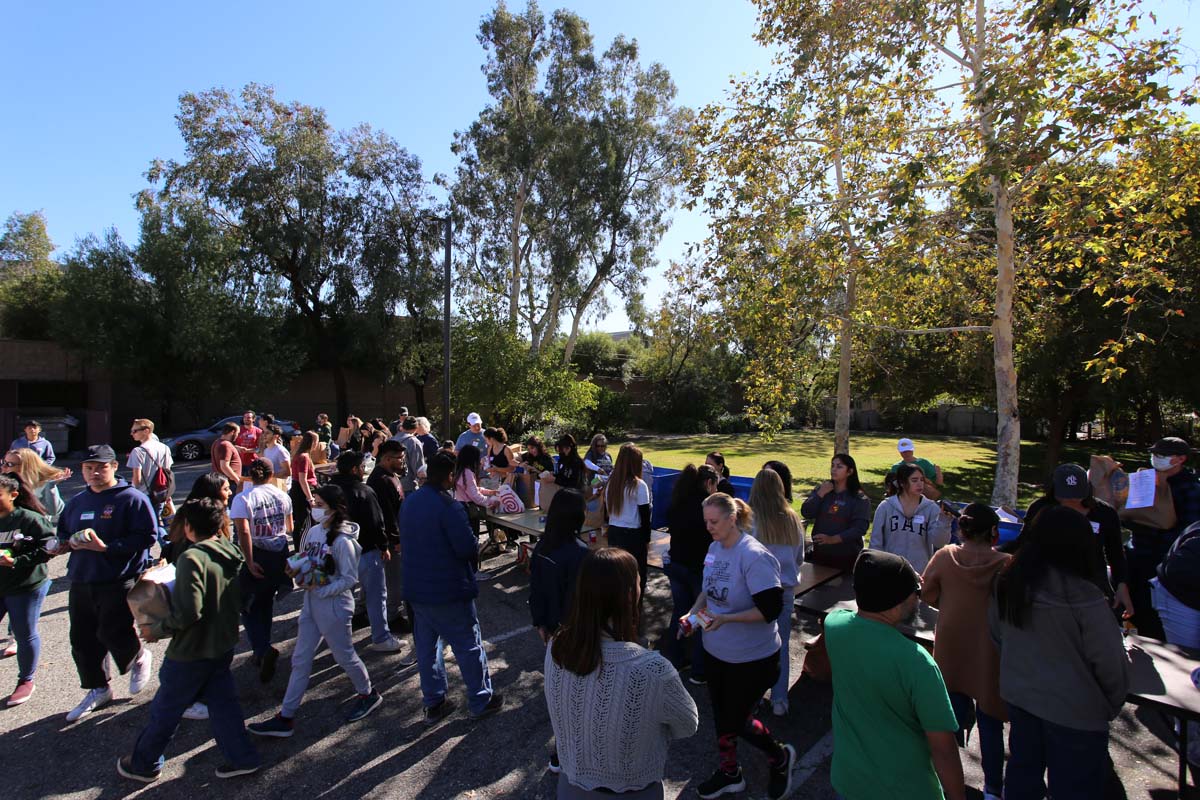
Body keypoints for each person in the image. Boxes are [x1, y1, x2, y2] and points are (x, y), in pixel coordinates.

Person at [990, 505, 1130, 799]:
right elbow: (1109, 664)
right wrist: (1108, 705)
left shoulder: (1008, 580)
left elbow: (997, 634)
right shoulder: (1085, 597)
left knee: (1022, 777)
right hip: (1074, 713)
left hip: (1022, 697)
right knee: (1073, 788)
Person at [117, 498, 260, 783]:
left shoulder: (193, 558)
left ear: (189, 526)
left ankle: (144, 763)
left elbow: (189, 611)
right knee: (224, 705)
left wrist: (155, 630)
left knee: (166, 708)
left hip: (192, 649)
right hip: (222, 642)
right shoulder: (229, 549)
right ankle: (242, 756)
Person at [545, 547, 699, 798]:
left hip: (570, 787)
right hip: (633, 791)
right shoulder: (652, 670)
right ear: (630, 595)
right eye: (639, 580)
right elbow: (687, 724)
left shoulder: (557, 647)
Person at [681, 493, 795, 800]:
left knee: (738, 720)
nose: (709, 528)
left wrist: (727, 619)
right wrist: (693, 614)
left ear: (732, 519)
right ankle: (730, 772)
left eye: (714, 522)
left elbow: (771, 610)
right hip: (717, 652)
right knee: (721, 715)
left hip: (753, 659)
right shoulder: (714, 548)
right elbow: (707, 592)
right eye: (706, 521)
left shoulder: (754, 556)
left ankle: (780, 757)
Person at [825, 550, 965, 800]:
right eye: (916, 593)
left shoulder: (834, 625)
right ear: (897, 600)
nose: (918, 600)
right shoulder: (918, 662)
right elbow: (944, 749)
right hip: (906, 791)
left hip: (848, 780)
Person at [249, 484, 383, 737]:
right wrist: (297, 571)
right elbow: (305, 559)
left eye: (320, 504)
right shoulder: (312, 531)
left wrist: (321, 589)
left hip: (334, 607)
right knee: (300, 659)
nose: (314, 508)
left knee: (344, 655)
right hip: (311, 604)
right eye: (314, 503)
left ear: (334, 509)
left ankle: (368, 693)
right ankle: (285, 717)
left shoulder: (344, 542)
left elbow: (349, 580)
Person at [54, 445, 158, 722]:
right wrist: (62, 545)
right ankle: (98, 688)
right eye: (89, 468)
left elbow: (147, 537)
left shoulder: (131, 499)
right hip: (81, 577)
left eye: (100, 467)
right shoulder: (77, 501)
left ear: (114, 466)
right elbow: (63, 531)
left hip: (118, 577)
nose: (94, 473)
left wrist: (109, 548)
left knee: (113, 631)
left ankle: (137, 655)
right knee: (82, 638)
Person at [401, 452, 503, 723]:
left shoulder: (410, 502)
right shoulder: (449, 506)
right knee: (468, 645)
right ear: (448, 476)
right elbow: (467, 547)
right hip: (447, 588)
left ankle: (433, 700)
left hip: (416, 588)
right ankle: (481, 698)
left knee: (427, 648)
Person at [921, 503, 1011, 800]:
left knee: (946, 720)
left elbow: (927, 591)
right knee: (991, 723)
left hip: (951, 647)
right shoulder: (1006, 564)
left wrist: (947, 603)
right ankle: (993, 788)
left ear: (961, 530)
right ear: (994, 533)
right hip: (989, 653)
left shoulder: (946, 557)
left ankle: (945, 778)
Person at [1008, 463, 1132, 616]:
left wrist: (1121, 585)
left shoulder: (1105, 513)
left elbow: (1116, 554)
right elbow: (1023, 543)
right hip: (1047, 584)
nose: (1072, 502)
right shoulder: (1040, 509)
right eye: (1065, 497)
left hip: (1091, 583)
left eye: (1077, 496)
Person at [329, 451, 406, 654]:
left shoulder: (329, 491)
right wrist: (384, 546)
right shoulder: (363, 491)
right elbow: (376, 522)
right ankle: (380, 637)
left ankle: (337, 638)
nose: (364, 470)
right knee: (376, 596)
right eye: (362, 467)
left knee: (340, 597)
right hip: (365, 550)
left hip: (334, 552)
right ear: (355, 469)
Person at [1125, 436, 1200, 639]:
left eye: (1163, 455)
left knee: (1154, 618)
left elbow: (1189, 529)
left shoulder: (1190, 488)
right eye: (1154, 454)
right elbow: (1130, 514)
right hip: (1136, 554)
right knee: (1132, 609)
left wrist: (1156, 527)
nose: (1156, 458)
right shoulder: (1147, 480)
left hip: (1162, 561)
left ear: (1181, 459)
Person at [229, 458, 293, 685]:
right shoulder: (282, 495)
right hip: (278, 552)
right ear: (270, 474)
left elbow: (243, 531)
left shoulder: (242, 498)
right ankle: (261, 648)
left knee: (248, 605)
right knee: (264, 604)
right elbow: (290, 527)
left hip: (256, 553)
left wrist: (248, 560)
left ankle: (262, 648)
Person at [748, 468, 804, 717]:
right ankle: (780, 699)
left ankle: (755, 695)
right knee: (780, 645)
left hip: (756, 591)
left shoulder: (750, 520)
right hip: (785, 590)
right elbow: (800, 557)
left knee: (754, 646)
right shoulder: (792, 519)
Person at [0, 473, 53, 706]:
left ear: (13, 495)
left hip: (25, 585)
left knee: (24, 632)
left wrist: (17, 561)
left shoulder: (29, 519)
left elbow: (49, 548)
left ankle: (26, 680)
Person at [663, 464, 719, 685]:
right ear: (708, 483)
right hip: (697, 569)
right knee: (701, 617)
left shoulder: (677, 502)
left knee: (681, 611)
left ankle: (675, 659)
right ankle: (699, 669)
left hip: (676, 564)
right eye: (715, 485)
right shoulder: (705, 508)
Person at [529, 489, 589, 643]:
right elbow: (577, 598)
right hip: (570, 630)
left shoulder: (542, 545)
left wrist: (539, 621)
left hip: (551, 625)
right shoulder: (579, 552)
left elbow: (535, 587)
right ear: (577, 516)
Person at [870, 463, 952, 573]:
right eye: (914, 480)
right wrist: (876, 568)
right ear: (902, 483)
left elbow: (939, 543)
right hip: (889, 571)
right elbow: (875, 543)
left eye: (922, 480)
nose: (920, 484)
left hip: (919, 573)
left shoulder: (931, 508)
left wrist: (944, 521)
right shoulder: (885, 507)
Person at [802, 453, 871, 572]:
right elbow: (806, 512)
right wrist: (820, 494)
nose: (834, 469)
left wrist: (832, 539)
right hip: (820, 554)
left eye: (839, 467)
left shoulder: (859, 499)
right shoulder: (823, 490)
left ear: (849, 472)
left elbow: (860, 528)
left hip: (845, 557)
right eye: (832, 465)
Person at [367, 439, 408, 629]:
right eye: (399, 458)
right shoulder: (380, 480)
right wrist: (395, 540)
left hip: (396, 535)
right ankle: (393, 615)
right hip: (390, 539)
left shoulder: (391, 475)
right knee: (394, 579)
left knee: (393, 577)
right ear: (386, 458)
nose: (402, 461)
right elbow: (386, 514)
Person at [604, 443, 653, 595]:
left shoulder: (611, 484)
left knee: (617, 576)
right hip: (633, 536)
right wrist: (647, 540)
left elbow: (607, 513)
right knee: (637, 578)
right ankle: (634, 612)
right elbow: (645, 518)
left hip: (614, 533)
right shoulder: (639, 486)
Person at [128, 418, 175, 541]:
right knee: (155, 522)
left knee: (145, 526)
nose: (132, 433)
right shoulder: (165, 448)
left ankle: (154, 553)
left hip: (143, 494)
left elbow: (136, 479)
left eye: (135, 431)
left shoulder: (138, 451)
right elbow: (167, 472)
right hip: (160, 492)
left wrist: (132, 492)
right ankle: (167, 549)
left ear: (146, 431)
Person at [4, 447, 70, 524]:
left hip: (34, 529)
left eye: (9, 464)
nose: (3, 467)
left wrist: (51, 486)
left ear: (26, 467)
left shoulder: (43, 485)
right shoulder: (5, 483)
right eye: (3, 462)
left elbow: (53, 511)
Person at [289, 431, 319, 551]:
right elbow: (303, 480)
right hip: (302, 492)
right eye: (316, 441)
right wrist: (310, 498)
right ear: (312, 442)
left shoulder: (301, 455)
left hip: (299, 489)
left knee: (302, 522)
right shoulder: (304, 457)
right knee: (305, 523)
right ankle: (301, 550)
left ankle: (301, 549)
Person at [391, 417, 426, 497]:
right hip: (408, 486)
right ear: (416, 429)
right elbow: (419, 468)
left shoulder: (391, 440)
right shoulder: (414, 442)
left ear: (402, 427)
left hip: (392, 484)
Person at [518, 435, 556, 504]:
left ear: (538, 446)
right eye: (529, 449)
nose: (531, 451)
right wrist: (520, 464)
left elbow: (550, 476)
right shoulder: (529, 455)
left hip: (543, 485)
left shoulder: (546, 459)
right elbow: (516, 458)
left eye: (532, 448)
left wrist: (536, 470)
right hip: (531, 485)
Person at [258, 424, 291, 489]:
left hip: (281, 487)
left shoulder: (280, 451)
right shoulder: (266, 451)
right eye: (264, 433)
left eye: (267, 433)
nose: (264, 435)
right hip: (270, 486)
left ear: (276, 436)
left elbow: (287, 472)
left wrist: (268, 477)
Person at [211, 423, 242, 490]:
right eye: (237, 433)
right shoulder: (225, 445)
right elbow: (224, 466)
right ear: (232, 432)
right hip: (230, 483)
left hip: (222, 481)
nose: (237, 436)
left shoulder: (217, 442)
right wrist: (238, 481)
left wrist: (234, 448)